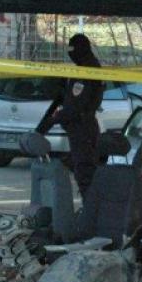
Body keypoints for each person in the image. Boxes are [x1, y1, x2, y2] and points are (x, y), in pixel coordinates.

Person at [36, 34, 104, 198]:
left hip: (82, 129)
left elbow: (76, 106)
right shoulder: (85, 67)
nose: (70, 53)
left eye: (72, 49)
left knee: (85, 174)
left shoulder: (86, 71)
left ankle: (90, 208)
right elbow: (69, 100)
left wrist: (53, 121)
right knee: (79, 166)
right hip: (81, 129)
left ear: (81, 49)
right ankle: (90, 205)